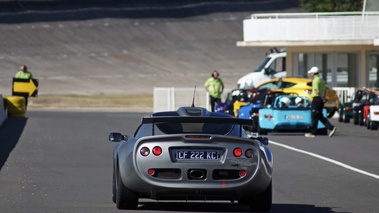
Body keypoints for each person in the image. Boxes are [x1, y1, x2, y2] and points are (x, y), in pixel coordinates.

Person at [305, 66, 337, 138]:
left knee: (314, 115)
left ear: (313, 73)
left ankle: (313, 133)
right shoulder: (321, 80)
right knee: (319, 115)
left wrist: (322, 98)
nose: (311, 74)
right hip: (320, 99)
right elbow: (324, 90)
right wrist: (324, 97)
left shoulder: (315, 80)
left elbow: (317, 91)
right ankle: (331, 128)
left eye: (311, 73)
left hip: (317, 99)